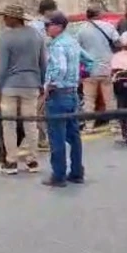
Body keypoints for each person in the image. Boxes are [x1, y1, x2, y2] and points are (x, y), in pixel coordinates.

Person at [0, 4, 47, 175]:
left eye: (6, 16)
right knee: (30, 123)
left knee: (9, 124)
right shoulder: (36, 36)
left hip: (10, 85)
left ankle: (11, 161)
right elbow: (43, 63)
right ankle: (32, 160)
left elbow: (1, 67)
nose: (4, 19)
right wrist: (41, 82)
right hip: (31, 85)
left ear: (14, 18)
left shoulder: (6, 38)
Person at [42, 12, 91, 187]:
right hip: (72, 93)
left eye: (48, 24)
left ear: (59, 26)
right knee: (73, 134)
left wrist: (50, 85)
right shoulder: (72, 42)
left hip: (59, 94)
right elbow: (89, 61)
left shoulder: (56, 46)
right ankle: (77, 172)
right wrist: (79, 76)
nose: (46, 27)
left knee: (57, 136)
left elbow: (60, 68)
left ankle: (59, 175)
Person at [77, 3, 120, 131]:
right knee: (110, 98)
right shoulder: (108, 27)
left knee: (89, 98)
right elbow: (118, 41)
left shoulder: (81, 30)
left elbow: (77, 48)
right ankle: (113, 124)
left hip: (89, 69)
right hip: (106, 66)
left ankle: (89, 125)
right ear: (99, 14)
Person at [28, 0, 59, 150]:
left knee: (44, 106)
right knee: (41, 106)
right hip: (42, 70)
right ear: (47, 10)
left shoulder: (34, 26)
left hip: (44, 68)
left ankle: (44, 137)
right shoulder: (39, 27)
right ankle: (42, 138)